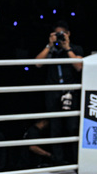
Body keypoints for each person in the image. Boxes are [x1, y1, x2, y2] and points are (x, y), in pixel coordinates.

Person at [35, 20, 84, 164]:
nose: (60, 36)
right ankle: (58, 161)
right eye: (57, 34)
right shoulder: (51, 51)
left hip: (71, 91)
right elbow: (37, 63)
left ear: (68, 34)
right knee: (55, 127)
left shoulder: (76, 48)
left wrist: (67, 47)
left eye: (62, 33)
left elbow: (79, 67)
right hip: (53, 92)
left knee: (73, 127)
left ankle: (76, 161)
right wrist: (49, 45)